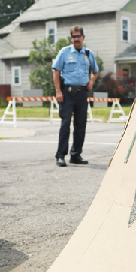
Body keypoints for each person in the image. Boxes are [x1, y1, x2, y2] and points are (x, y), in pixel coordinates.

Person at [53, 25, 99, 167]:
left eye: (79, 36)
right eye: (74, 36)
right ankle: (60, 155)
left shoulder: (88, 53)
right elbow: (56, 71)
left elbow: (95, 71)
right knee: (65, 124)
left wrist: (91, 81)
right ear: (71, 38)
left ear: (83, 37)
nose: (76, 39)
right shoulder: (65, 52)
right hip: (67, 93)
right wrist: (58, 91)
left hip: (82, 93)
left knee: (80, 125)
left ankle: (76, 155)